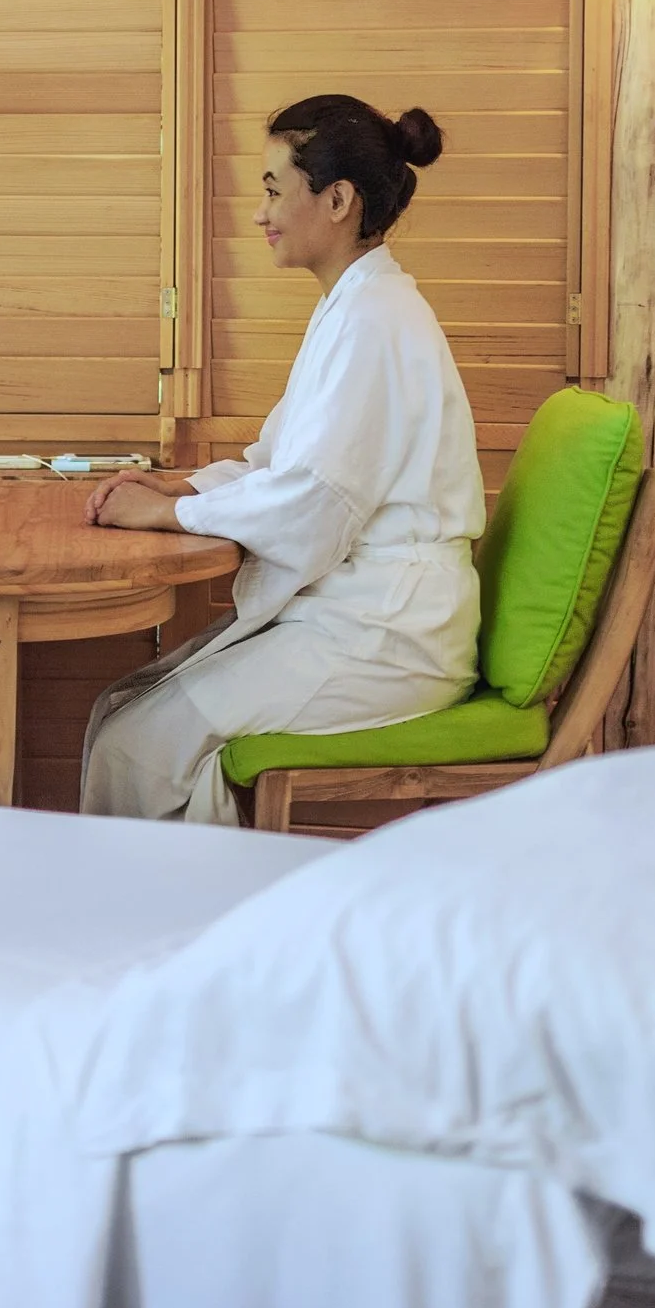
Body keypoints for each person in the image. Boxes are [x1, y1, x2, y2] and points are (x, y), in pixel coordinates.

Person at [79, 95, 485, 824]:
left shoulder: (375, 320)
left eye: (272, 188)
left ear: (336, 199)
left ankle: (195, 928)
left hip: (388, 635)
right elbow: (278, 462)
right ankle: (189, 916)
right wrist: (181, 485)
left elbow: (310, 503)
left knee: (136, 742)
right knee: (126, 711)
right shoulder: (353, 307)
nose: (259, 211)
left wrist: (170, 511)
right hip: (360, 615)